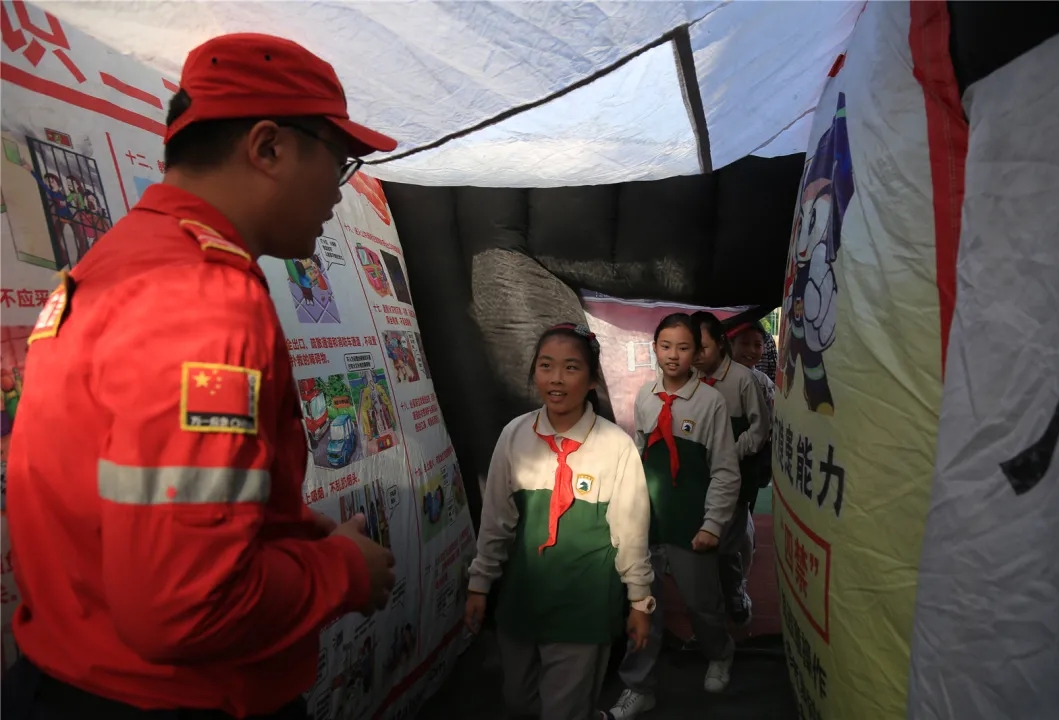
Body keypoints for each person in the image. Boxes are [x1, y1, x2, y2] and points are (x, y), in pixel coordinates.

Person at [2, 33, 399, 720]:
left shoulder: (114, 262)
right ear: (268, 147)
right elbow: (184, 606)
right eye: (337, 164)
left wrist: (301, 535)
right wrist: (343, 572)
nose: (338, 197)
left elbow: (142, 508)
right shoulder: (204, 298)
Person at [465, 323, 654, 720]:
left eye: (571, 368)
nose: (556, 378)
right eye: (546, 366)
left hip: (584, 607)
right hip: (522, 600)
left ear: (591, 380)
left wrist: (639, 601)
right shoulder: (515, 435)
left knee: (562, 711)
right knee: (518, 700)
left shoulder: (615, 446)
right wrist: (480, 584)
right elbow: (496, 521)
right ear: (534, 372)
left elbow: (631, 532)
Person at [610, 314, 742, 720]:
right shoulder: (646, 398)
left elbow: (725, 470)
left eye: (684, 347)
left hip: (692, 525)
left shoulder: (711, 403)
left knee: (703, 604)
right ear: (654, 348)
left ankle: (720, 653)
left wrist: (712, 524)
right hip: (650, 523)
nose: (673, 355)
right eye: (665, 346)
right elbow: (639, 459)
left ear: (697, 353)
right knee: (643, 603)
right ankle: (639, 686)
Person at [691, 311, 767, 628]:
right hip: (696, 476)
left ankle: (735, 594)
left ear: (720, 344)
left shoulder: (744, 380)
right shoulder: (688, 378)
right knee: (701, 540)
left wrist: (728, 454)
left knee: (729, 542)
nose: (691, 355)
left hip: (734, 475)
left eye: (700, 347)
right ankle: (708, 601)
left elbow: (761, 428)